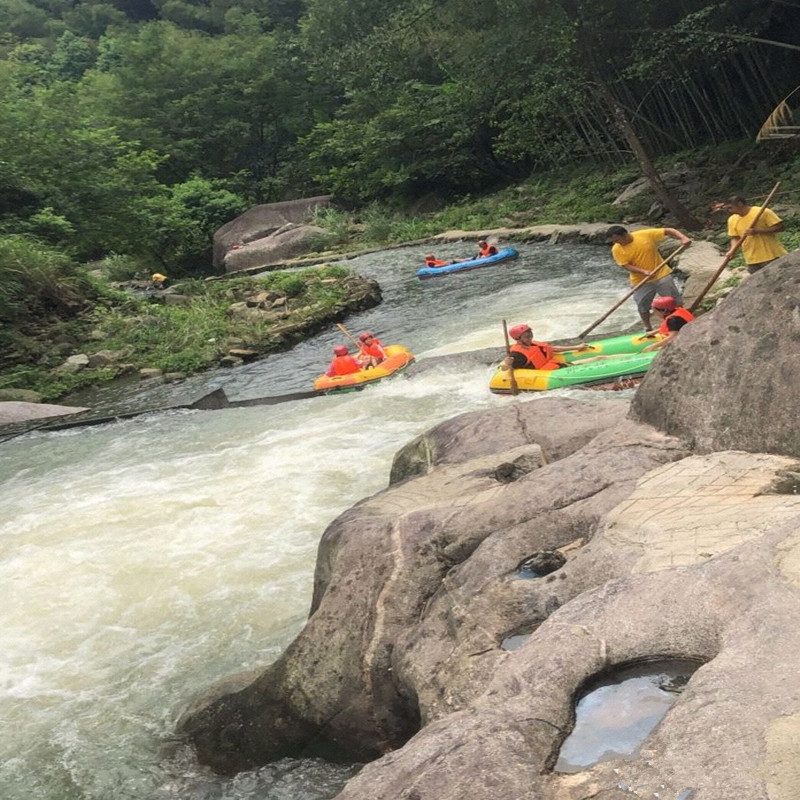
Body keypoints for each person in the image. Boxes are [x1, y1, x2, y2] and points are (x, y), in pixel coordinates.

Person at [607, 225, 692, 330]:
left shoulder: (644, 235)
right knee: (642, 306)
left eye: (617, 239)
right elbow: (626, 265)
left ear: (625, 234)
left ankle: (683, 322)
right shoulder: (616, 249)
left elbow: (669, 230)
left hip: (661, 274)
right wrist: (643, 271)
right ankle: (648, 327)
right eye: (614, 241)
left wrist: (683, 238)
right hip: (640, 280)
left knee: (674, 302)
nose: (617, 242)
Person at [723, 195, 787, 274]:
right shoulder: (732, 220)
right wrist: (732, 250)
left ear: (740, 204)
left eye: (730, 208)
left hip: (771, 255)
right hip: (751, 260)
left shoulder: (762, 211)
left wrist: (758, 231)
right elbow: (735, 237)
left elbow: (780, 227)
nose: (730, 211)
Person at [502, 324, 585, 372]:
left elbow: (552, 348)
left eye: (531, 335)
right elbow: (506, 368)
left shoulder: (533, 344)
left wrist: (576, 347)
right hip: (546, 375)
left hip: (555, 366)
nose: (530, 338)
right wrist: (507, 363)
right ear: (517, 339)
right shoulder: (517, 355)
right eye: (527, 336)